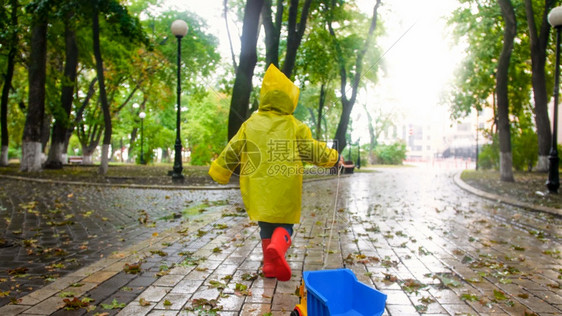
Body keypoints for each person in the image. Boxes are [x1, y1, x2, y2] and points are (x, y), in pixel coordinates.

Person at [209, 64, 342, 281]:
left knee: (266, 225)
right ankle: (279, 248)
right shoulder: (295, 126)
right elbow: (312, 150)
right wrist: (333, 158)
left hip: (259, 187)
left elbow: (233, 149)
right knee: (285, 223)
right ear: (290, 99)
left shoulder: (250, 124)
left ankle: (269, 267)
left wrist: (220, 170)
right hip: (285, 186)